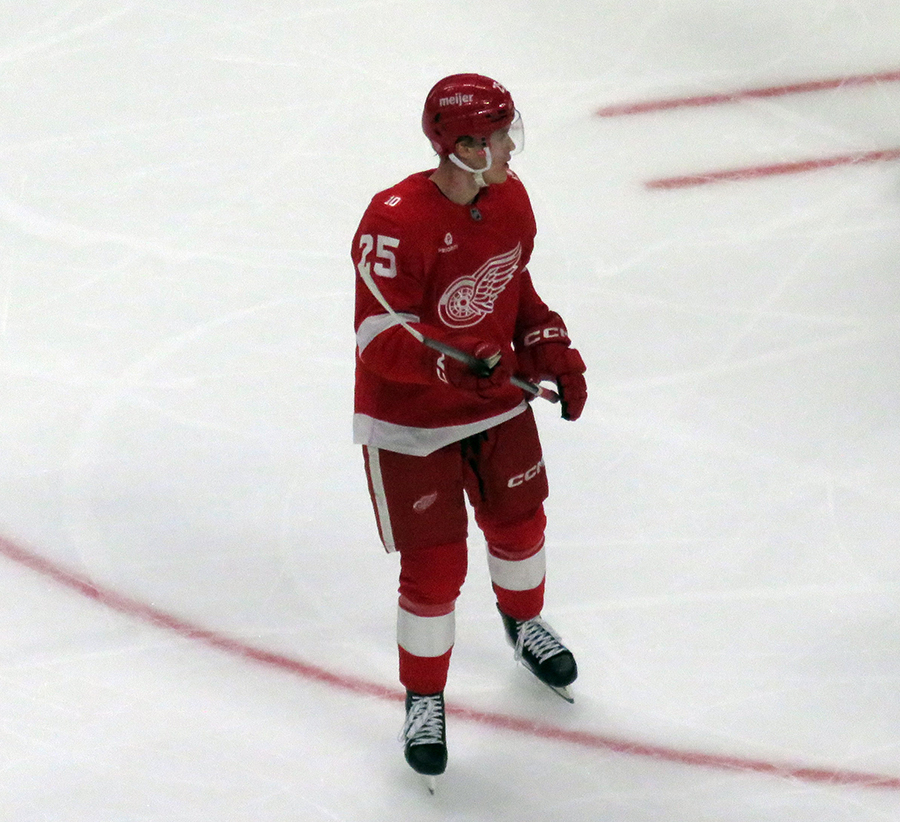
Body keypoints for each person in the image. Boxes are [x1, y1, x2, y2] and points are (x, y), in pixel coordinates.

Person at [351, 73, 588, 781]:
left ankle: (524, 623)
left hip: (495, 402)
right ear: (458, 146)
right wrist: (457, 365)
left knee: (520, 526)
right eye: (496, 136)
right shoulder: (394, 219)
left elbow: (514, 289)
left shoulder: (509, 200)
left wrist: (551, 347)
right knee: (434, 573)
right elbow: (377, 334)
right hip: (411, 424)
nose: (511, 147)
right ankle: (423, 696)